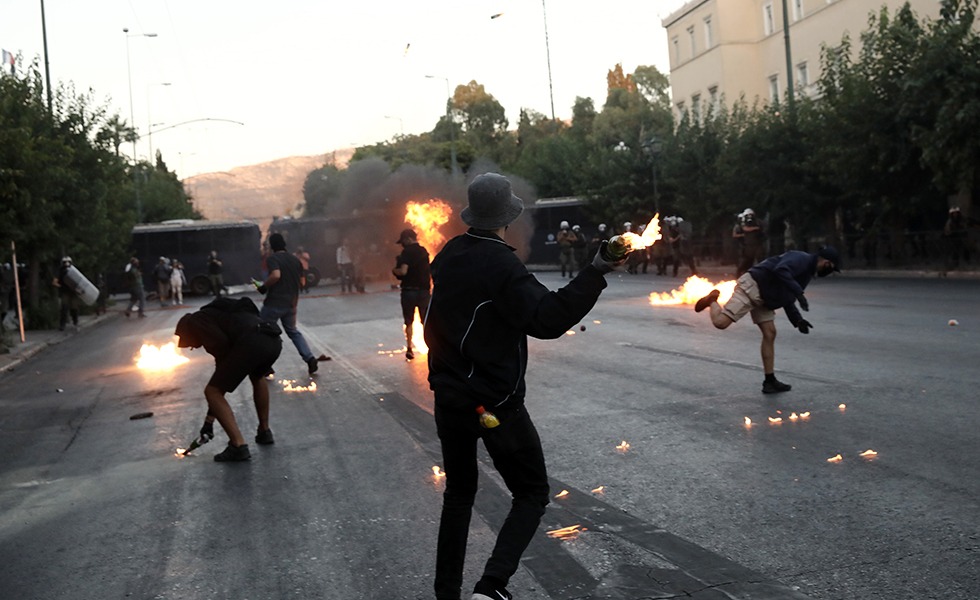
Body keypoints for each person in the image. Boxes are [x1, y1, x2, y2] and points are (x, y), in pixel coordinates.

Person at [425, 172, 625, 600]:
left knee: (459, 495)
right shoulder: (501, 264)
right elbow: (547, 319)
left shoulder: (449, 254)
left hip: (448, 396)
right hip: (494, 404)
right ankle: (491, 586)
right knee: (532, 493)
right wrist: (597, 270)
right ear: (507, 217)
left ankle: (447, 594)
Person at [694, 247, 841, 394]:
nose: (829, 272)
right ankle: (712, 300)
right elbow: (781, 270)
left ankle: (769, 381)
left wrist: (798, 320)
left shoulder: (807, 273)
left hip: (766, 296)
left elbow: (787, 296)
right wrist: (799, 293)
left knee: (770, 333)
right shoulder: (801, 259)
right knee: (720, 323)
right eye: (831, 268)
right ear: (827, 262)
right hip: (753, 286)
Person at [175, 296, 282, 462]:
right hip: (272, 339)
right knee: (257, 376)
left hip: (251, 342)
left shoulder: (197, 321)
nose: (193, 347)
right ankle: (264, 431)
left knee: (212, 391)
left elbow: (222, 356)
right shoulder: (220, 314)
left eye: (190, 343)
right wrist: (209, 421)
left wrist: (209, 420)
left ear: (188, 331)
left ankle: (238, 445)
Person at [255, 233, 319, 375]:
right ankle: (309, 358)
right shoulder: (295, 260)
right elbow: (302, 282)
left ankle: (266, 366)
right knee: (292, 331)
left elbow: (276, 275)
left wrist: (264, 287)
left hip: (274, 302)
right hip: (292, 303)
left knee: (263, 332)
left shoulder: (273, 259)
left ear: (272, 246)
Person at [391, 228, 431, 361]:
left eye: (403, 241)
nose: (402, 244)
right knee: (426, 321)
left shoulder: (406, 252)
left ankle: (409, 349)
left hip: (409, 291)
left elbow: (403, 272)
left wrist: (394, 271)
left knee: (409, 322)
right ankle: (432, 348)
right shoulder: (424, 251)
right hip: (424, 292)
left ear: (408, 239)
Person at [733, 209, 766, 276]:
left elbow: (762, 231)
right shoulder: (742, 223)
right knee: (745, 262)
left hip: (756, 245)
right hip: (746, 246)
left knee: (760, 260)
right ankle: (739, 275)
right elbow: (744, 229)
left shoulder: (758, 222)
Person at [52, 256, 80, 331]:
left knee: (74, 308)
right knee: (64, 308)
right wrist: (61, 286)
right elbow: (55, 282)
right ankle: (63, 325)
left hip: (73, 291)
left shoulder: (74, 271)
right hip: (65, 292)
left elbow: (79, 281)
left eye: (68, 262)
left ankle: (75, 322)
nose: (67, 264)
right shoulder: (60, 271)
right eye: (65, 262)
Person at [942, 207, 969, 274]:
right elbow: (947, 230)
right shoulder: (950, 221)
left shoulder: (961, 220)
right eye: (953, 213)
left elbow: (964, 227)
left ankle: (966, 261)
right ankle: (953, 264)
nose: (955, 214)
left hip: (960, 236)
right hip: (952, 237)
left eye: (956, 213)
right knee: (954, 250)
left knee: (964, 248)